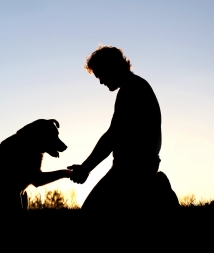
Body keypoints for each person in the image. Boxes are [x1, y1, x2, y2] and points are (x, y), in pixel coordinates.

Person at [68, 46, 162, 217]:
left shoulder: (131, 89)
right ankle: (157, 189)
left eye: (100, 74)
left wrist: (86, 168)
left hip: (131, 171)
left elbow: (113, 136)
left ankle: (159, 189)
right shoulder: (137, 85)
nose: (101, 82)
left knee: (89, 214)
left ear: (111, 67)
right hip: (139, 167)